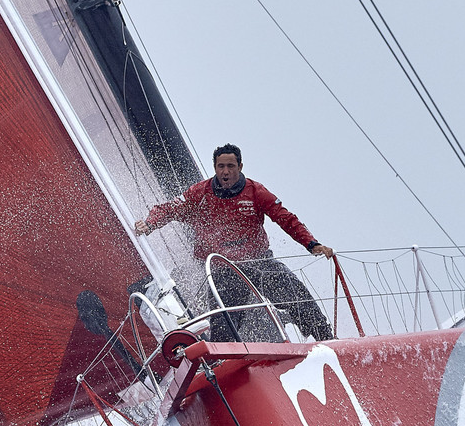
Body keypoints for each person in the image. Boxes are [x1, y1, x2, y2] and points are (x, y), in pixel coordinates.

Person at [134, 144, 336, 342]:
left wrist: (311, 244)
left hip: (257, 262)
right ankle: (225, 361)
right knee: (223, 324)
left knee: (297, 295)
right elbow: (168, 209)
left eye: (231, 166)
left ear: (240, 167)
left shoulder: (256, 191)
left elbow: (286, 218)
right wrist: (149, 224)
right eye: (221, 166)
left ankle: (328, 340)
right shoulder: (200, 193)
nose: (226, 171)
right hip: (223, 270)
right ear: (215, 168)